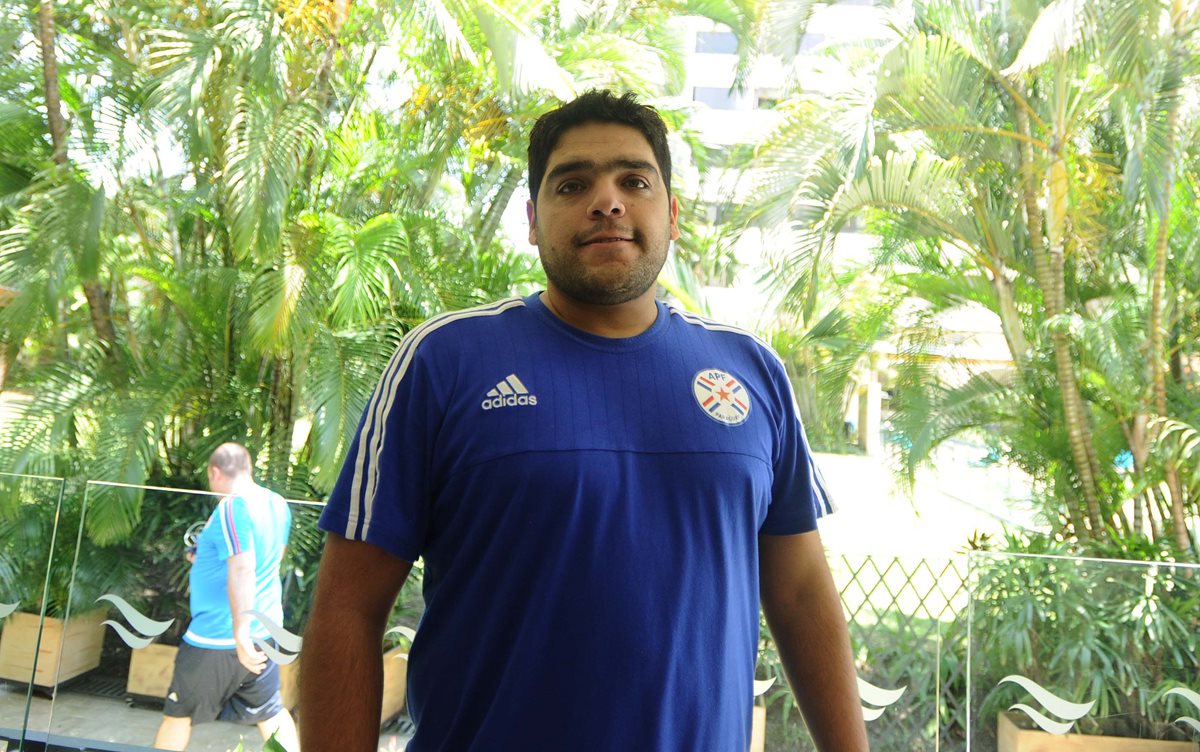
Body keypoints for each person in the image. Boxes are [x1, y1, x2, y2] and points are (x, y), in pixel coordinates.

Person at [300, 90, 868, 751]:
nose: (608, 200)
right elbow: (348, 608)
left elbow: (799, 594)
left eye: (634, 180)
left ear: (673, 214)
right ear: (534, 220)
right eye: (573, 183)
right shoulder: (443, 362)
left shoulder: (751, 372)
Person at [154, 442, 299, 752]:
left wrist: (240, 634)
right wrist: (204, 558)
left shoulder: (234, 506)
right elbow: (270, 558)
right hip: (264, 631)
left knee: (178, 715)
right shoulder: (276, 503)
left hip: (221, 638)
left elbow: (244, 567)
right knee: (271, 713)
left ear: (214, 472)